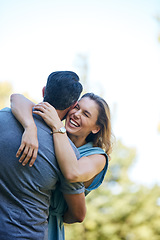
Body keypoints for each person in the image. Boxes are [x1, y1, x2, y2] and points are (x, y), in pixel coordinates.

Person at [10, 91, 113, 240]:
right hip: (16, 208)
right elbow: (17, 98)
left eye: (86, 114)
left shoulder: (97, 157)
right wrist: (29, 127)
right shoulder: (49, 129)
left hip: (46, 225)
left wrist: (58, 126)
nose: (77, 114)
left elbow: (73, 173)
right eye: (77, 107)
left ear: (96, 128)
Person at [0, 71, 87, 240]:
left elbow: (16, 98)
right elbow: (78, 215)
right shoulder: (68, 154)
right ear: (72, 105)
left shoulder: (4, 116)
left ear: (44, 90)